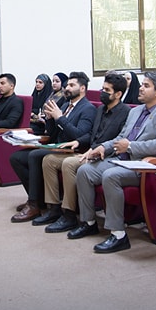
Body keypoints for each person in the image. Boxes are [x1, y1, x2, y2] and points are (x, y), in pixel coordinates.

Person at [70, 72, 156, 253]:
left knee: (110, 176)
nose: (140, 88)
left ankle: (118, 234)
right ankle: (88, 222)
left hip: (145, 165)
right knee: (85, 171)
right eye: (142, 84)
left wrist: (130, 146)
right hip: (122, 160)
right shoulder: (135, 111)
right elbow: (121, 137)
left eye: (146, 86)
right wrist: (103, 147)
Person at [38, 72, 130, 232]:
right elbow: (91, 133)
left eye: (107, 90)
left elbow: (118, 139)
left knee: (68, 164)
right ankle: (53, 208)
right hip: (88, 150)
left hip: (105, 155)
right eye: (102, 89)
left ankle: (69, 214)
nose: (102, 93)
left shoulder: (125, 112)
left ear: (118, 94)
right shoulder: (101, 109)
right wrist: (79, 141)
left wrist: (94, 148)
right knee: (49, 160)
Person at [10, 72, 95, 222]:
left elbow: (79, 135)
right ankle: (38, 197)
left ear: (82, 88)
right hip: (56, 145)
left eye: (72, 85)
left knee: (34, 156)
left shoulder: (88, 108)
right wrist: (50, 119)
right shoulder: (65, 105)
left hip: (71, 149)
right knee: (16, 157)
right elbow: (52, 132)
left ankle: (34, 204)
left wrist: (59, 118)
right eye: (67, 85)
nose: (67, 88)